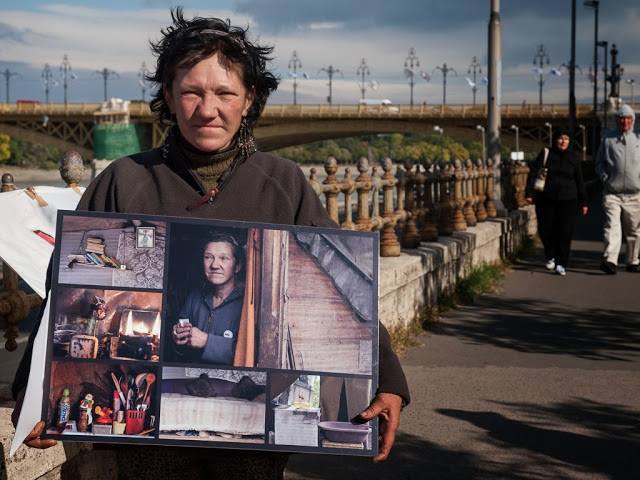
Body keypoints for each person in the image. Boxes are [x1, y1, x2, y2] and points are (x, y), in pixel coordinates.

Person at [12, 9, 410, 478]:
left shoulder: (282, 183)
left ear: (249, 98)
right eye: (192, 92)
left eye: (225, 93)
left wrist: (388, 382)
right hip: (147, 442)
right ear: (168, 95)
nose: (208, 109)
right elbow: (60, 290)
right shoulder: (125, 180)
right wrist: (33, 393)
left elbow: (350, 295)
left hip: (253, 442)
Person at [171, 234, 244, 365]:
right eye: (208, 257)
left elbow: (249, 356)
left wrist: (206, 341)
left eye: (224, 258)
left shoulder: (247, 305)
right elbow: (179, 347)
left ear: (237, 266)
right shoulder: (195, 297)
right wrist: (177, 336)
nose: (215, 265)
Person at [526, 128, 588, 276]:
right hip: (546, 199)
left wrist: (584, 202)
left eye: (566, 138)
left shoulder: (574, 157)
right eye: (560, 138)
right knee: (545, 229)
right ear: (555, 139)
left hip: (568, 200)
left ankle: (561, 263)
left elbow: (580, 181)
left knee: (565, 232)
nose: (563, 141)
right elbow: (534, 172)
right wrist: (529, 193)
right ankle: (550, 254)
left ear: (570, 141)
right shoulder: (546, 153)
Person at [595, 104, 640, 274]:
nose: (625, 121)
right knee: (612, 226)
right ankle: (610, 260)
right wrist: (604, 177)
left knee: (634, 230)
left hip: (635, 194)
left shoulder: (638, 139)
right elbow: (599, 163)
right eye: (622, 119)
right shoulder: (608, 140)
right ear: (617, 120)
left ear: (633, 120)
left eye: (628, 118)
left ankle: (633, 260)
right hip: (612, 192)